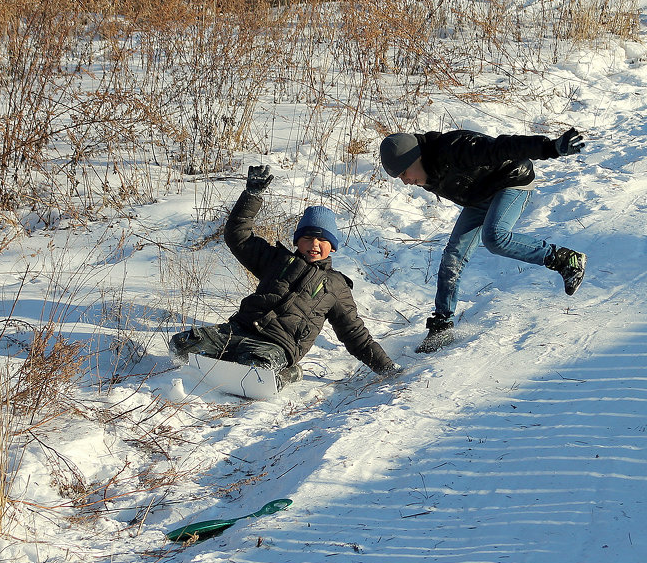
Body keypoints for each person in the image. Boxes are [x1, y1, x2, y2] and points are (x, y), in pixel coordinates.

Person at [170, 166, 400, 388]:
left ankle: (288, 374)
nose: (314, 245)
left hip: (278, 345)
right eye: (308, 238)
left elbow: (355, 334)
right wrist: (252, 195)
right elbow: (237, 236)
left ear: (333, 246)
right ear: (297, 240)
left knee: (256, 370)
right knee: (181, 345)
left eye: (322, 241)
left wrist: (386, 367)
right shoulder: (276, 260)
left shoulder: (336, 286)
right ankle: (228, 362)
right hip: (238, 329)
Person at [379, 127, 587, 354]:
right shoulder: (424, 168)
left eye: (404, 173)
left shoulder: (454, 148)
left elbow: (503, 146)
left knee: (494, 236)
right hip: (481, 196)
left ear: (416, 157)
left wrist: (550, 148)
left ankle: (566, 260)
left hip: (511, 180)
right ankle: (442, 326)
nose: (406, 181)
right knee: (453, 256)